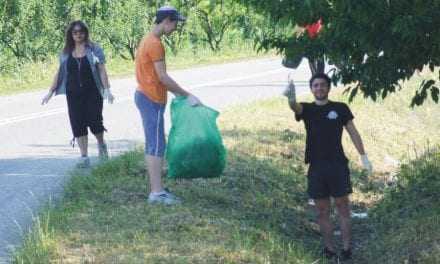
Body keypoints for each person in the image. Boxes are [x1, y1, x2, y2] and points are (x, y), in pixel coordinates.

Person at [283, 73, 372, 261]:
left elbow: (353, 132)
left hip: (337, 165)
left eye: (323, 85)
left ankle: (347, 248)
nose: (319, 88)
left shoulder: (340, 108)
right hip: (316, 167)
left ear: (329, 88)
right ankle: (329, 248)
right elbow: (295, 107)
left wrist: (363, 155)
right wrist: (291, 98)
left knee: (343, 207)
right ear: (311, 89)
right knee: (322, 210)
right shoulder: (307, 109)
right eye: (315, 86)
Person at [135, 6, 202, 205]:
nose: (175, 28)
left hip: (146, 95)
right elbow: (162, 77)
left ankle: (158, 188)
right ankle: (156, 193)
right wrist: (186, 95)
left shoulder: (147, 39)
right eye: (175, 23)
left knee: (155, 143)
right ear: (166, 21)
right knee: (156, 144)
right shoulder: (155, 44)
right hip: (150, 98)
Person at [41, 20, 114, 168]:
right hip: (73, 94)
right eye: (75, 32)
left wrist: (107, 89)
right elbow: (60, 73)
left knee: (95, 121)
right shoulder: (66, 53)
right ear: (71, 35)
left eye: (81, 32)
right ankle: (84, 156)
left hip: (92, 92)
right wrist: (50, 92)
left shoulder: (94, 49)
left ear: (85, 33)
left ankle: (101, 145)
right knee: (78, 123)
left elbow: (101, 69)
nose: (78, 34)